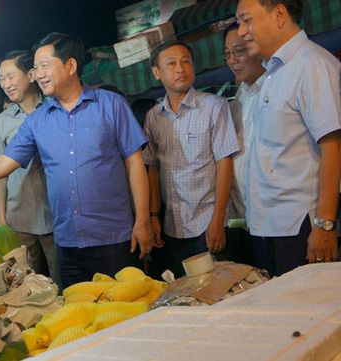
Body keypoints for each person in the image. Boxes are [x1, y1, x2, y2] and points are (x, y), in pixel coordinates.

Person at [0, 33, 152, 288]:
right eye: (35, 67)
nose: (39, 73)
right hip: (67, 242)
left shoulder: (111, 105)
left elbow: (135, 163)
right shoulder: (38, 121)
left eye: (45, 65)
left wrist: (143, 220)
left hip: (114, 237)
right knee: (77, 317)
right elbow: (2, 164)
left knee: (124, 315)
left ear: (70, 66)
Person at [236, 0, 341, 275]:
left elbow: (333, 146)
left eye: (246, 20)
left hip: (301, 229)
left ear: (279, 14)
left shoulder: (313, 65)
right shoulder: (272, 73)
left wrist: (325, 224)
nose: (241, 31)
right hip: (268, 226)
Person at [143, 41, 239, 279]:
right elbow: (153, 169)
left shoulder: (213, 106)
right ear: (157, 72)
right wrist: (154, 217)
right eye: (171, 63)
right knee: (186, 295)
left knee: (218, 291)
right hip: (172, 226)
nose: (180, 68)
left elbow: (224, 163)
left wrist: (218, 221)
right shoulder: (153, 117)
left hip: (209, 222)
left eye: (186, 61)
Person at [0, 50, 59, 283]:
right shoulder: (2, 122)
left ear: (30, 75)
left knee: (64, 284)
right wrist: (1, 220)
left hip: (57, 218)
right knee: (26, 286)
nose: (5, 84)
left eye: (10, 76)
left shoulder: (55, 109)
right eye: (1, 79)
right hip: (19, 221)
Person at [223, 22, 266, 265]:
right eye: (227, 55)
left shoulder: (275, 88)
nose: (232, 61)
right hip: (249, 222)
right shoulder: (237, 100)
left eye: (239, 52)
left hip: (290, 220)